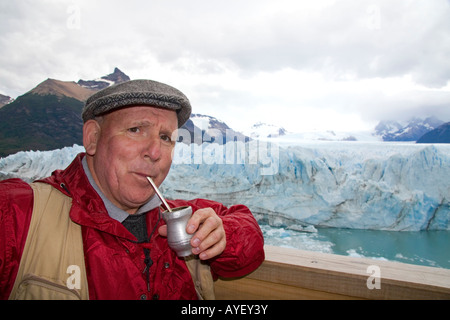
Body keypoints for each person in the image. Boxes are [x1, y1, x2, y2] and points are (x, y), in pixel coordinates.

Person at [0, 79, 265, 300]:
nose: (155, 152)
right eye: (136, 129)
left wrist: (221, 235)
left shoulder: (180, 219)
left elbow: (248, 240)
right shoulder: (16, 214)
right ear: (93, 138)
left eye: (165, 138)